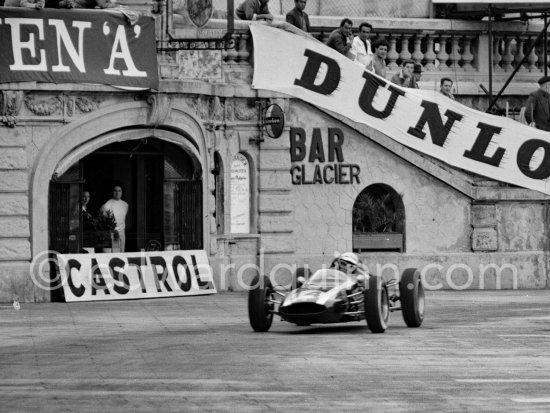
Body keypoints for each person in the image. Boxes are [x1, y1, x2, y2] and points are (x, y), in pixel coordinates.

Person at [101, 185, 129, 252]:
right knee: (114, 255)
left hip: (121, 233)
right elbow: (102, 216)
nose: (117, 193)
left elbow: (123, 219)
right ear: (112, 192)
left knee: (120, 254)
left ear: (122, 192)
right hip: (113, 233)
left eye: (119, 191)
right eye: (115, 191)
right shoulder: (108, 204)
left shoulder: (125, 205)